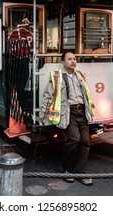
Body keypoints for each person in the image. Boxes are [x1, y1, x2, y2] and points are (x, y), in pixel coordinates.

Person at [40, 51, 95, 186]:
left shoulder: (80, 75)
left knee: (85, 142)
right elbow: (48, 95)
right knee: (75, 139)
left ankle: (81, 173)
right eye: (69, 59)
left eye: (74, 59)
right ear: (63, 62)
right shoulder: (57, 77)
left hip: (82, 111)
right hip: (68, 112)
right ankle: (68, 170)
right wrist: (42, 114)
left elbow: (86, 94)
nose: (73, 61)